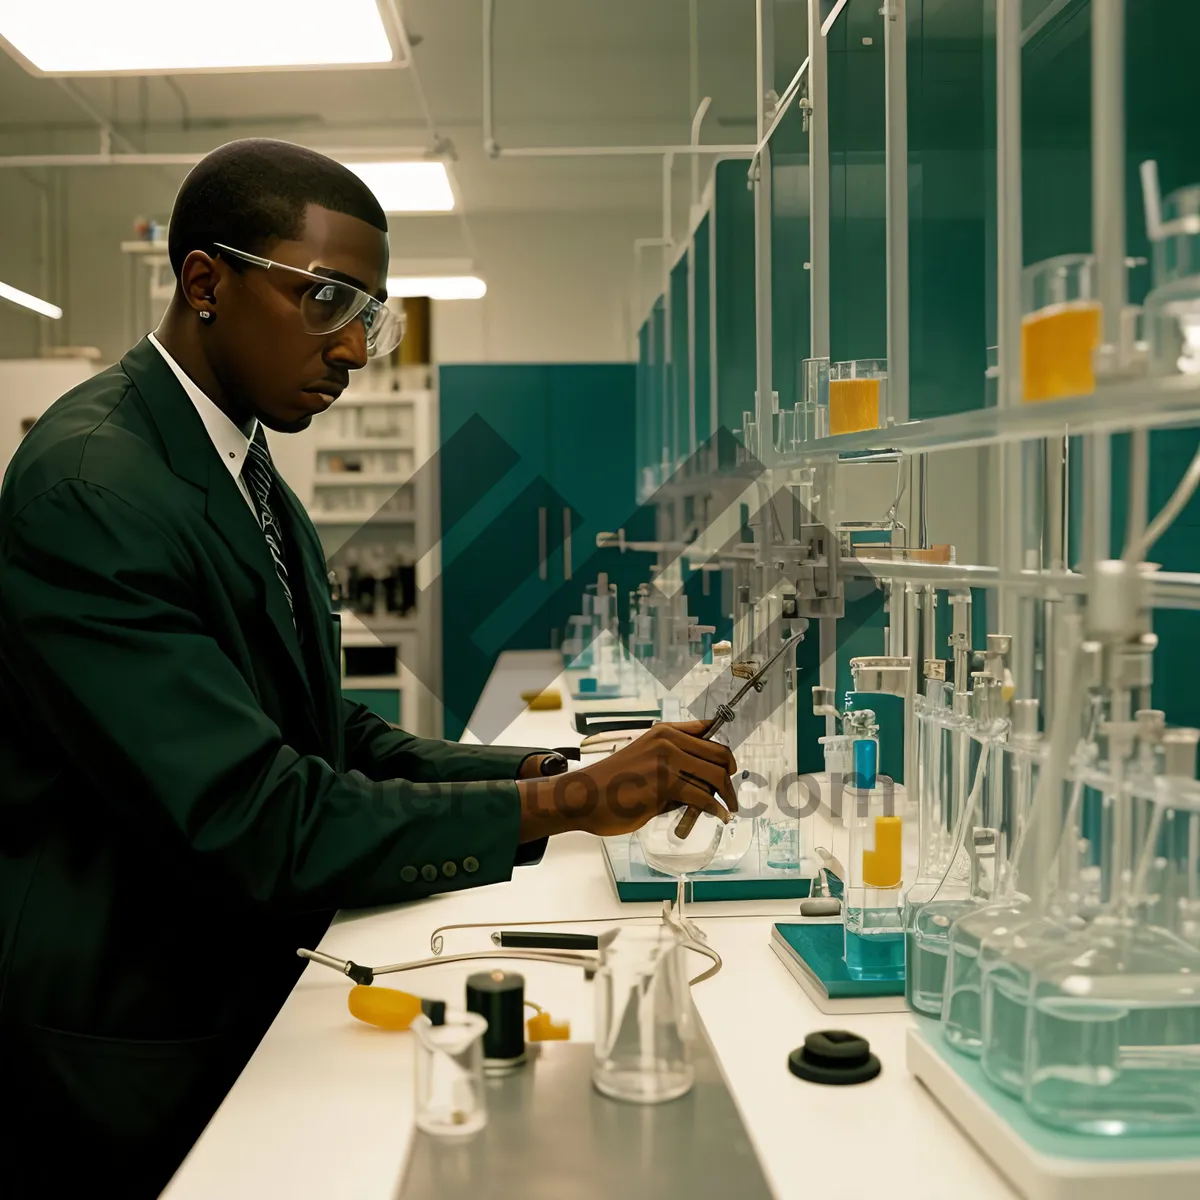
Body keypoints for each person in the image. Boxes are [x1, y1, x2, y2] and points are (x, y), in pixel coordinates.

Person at [0, 139, 736, 1196]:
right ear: (206, 282)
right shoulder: (94, 489)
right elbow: (252, 816)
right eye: (328, 301)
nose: (355, 349)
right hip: (133, 1040)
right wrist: (568, 804)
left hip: (235, 985)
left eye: (372, 316)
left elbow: (324, 733)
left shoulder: (241, 468)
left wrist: (539, 779)